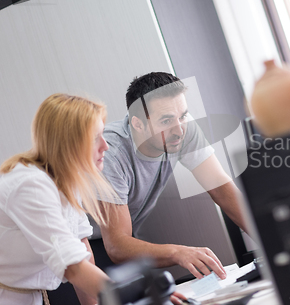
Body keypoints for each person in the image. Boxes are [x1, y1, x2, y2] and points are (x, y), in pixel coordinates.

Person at [98, 72, 248, 280]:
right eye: (166, 120)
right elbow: (116, 246)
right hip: (84, 242)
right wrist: (178, 252)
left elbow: (221, 189)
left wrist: (271, 239)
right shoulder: (111, 153)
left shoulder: (181, 127)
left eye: (183, 115)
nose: (179, 130)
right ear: (138, 124)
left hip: (124, 238)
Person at [0, 93, 116, 305]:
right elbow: (73, 267)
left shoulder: (68, 182)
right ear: (67, 143)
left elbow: (82, 254)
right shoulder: (31, 185)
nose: (105, 146)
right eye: (95, 138)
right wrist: (135, 293)